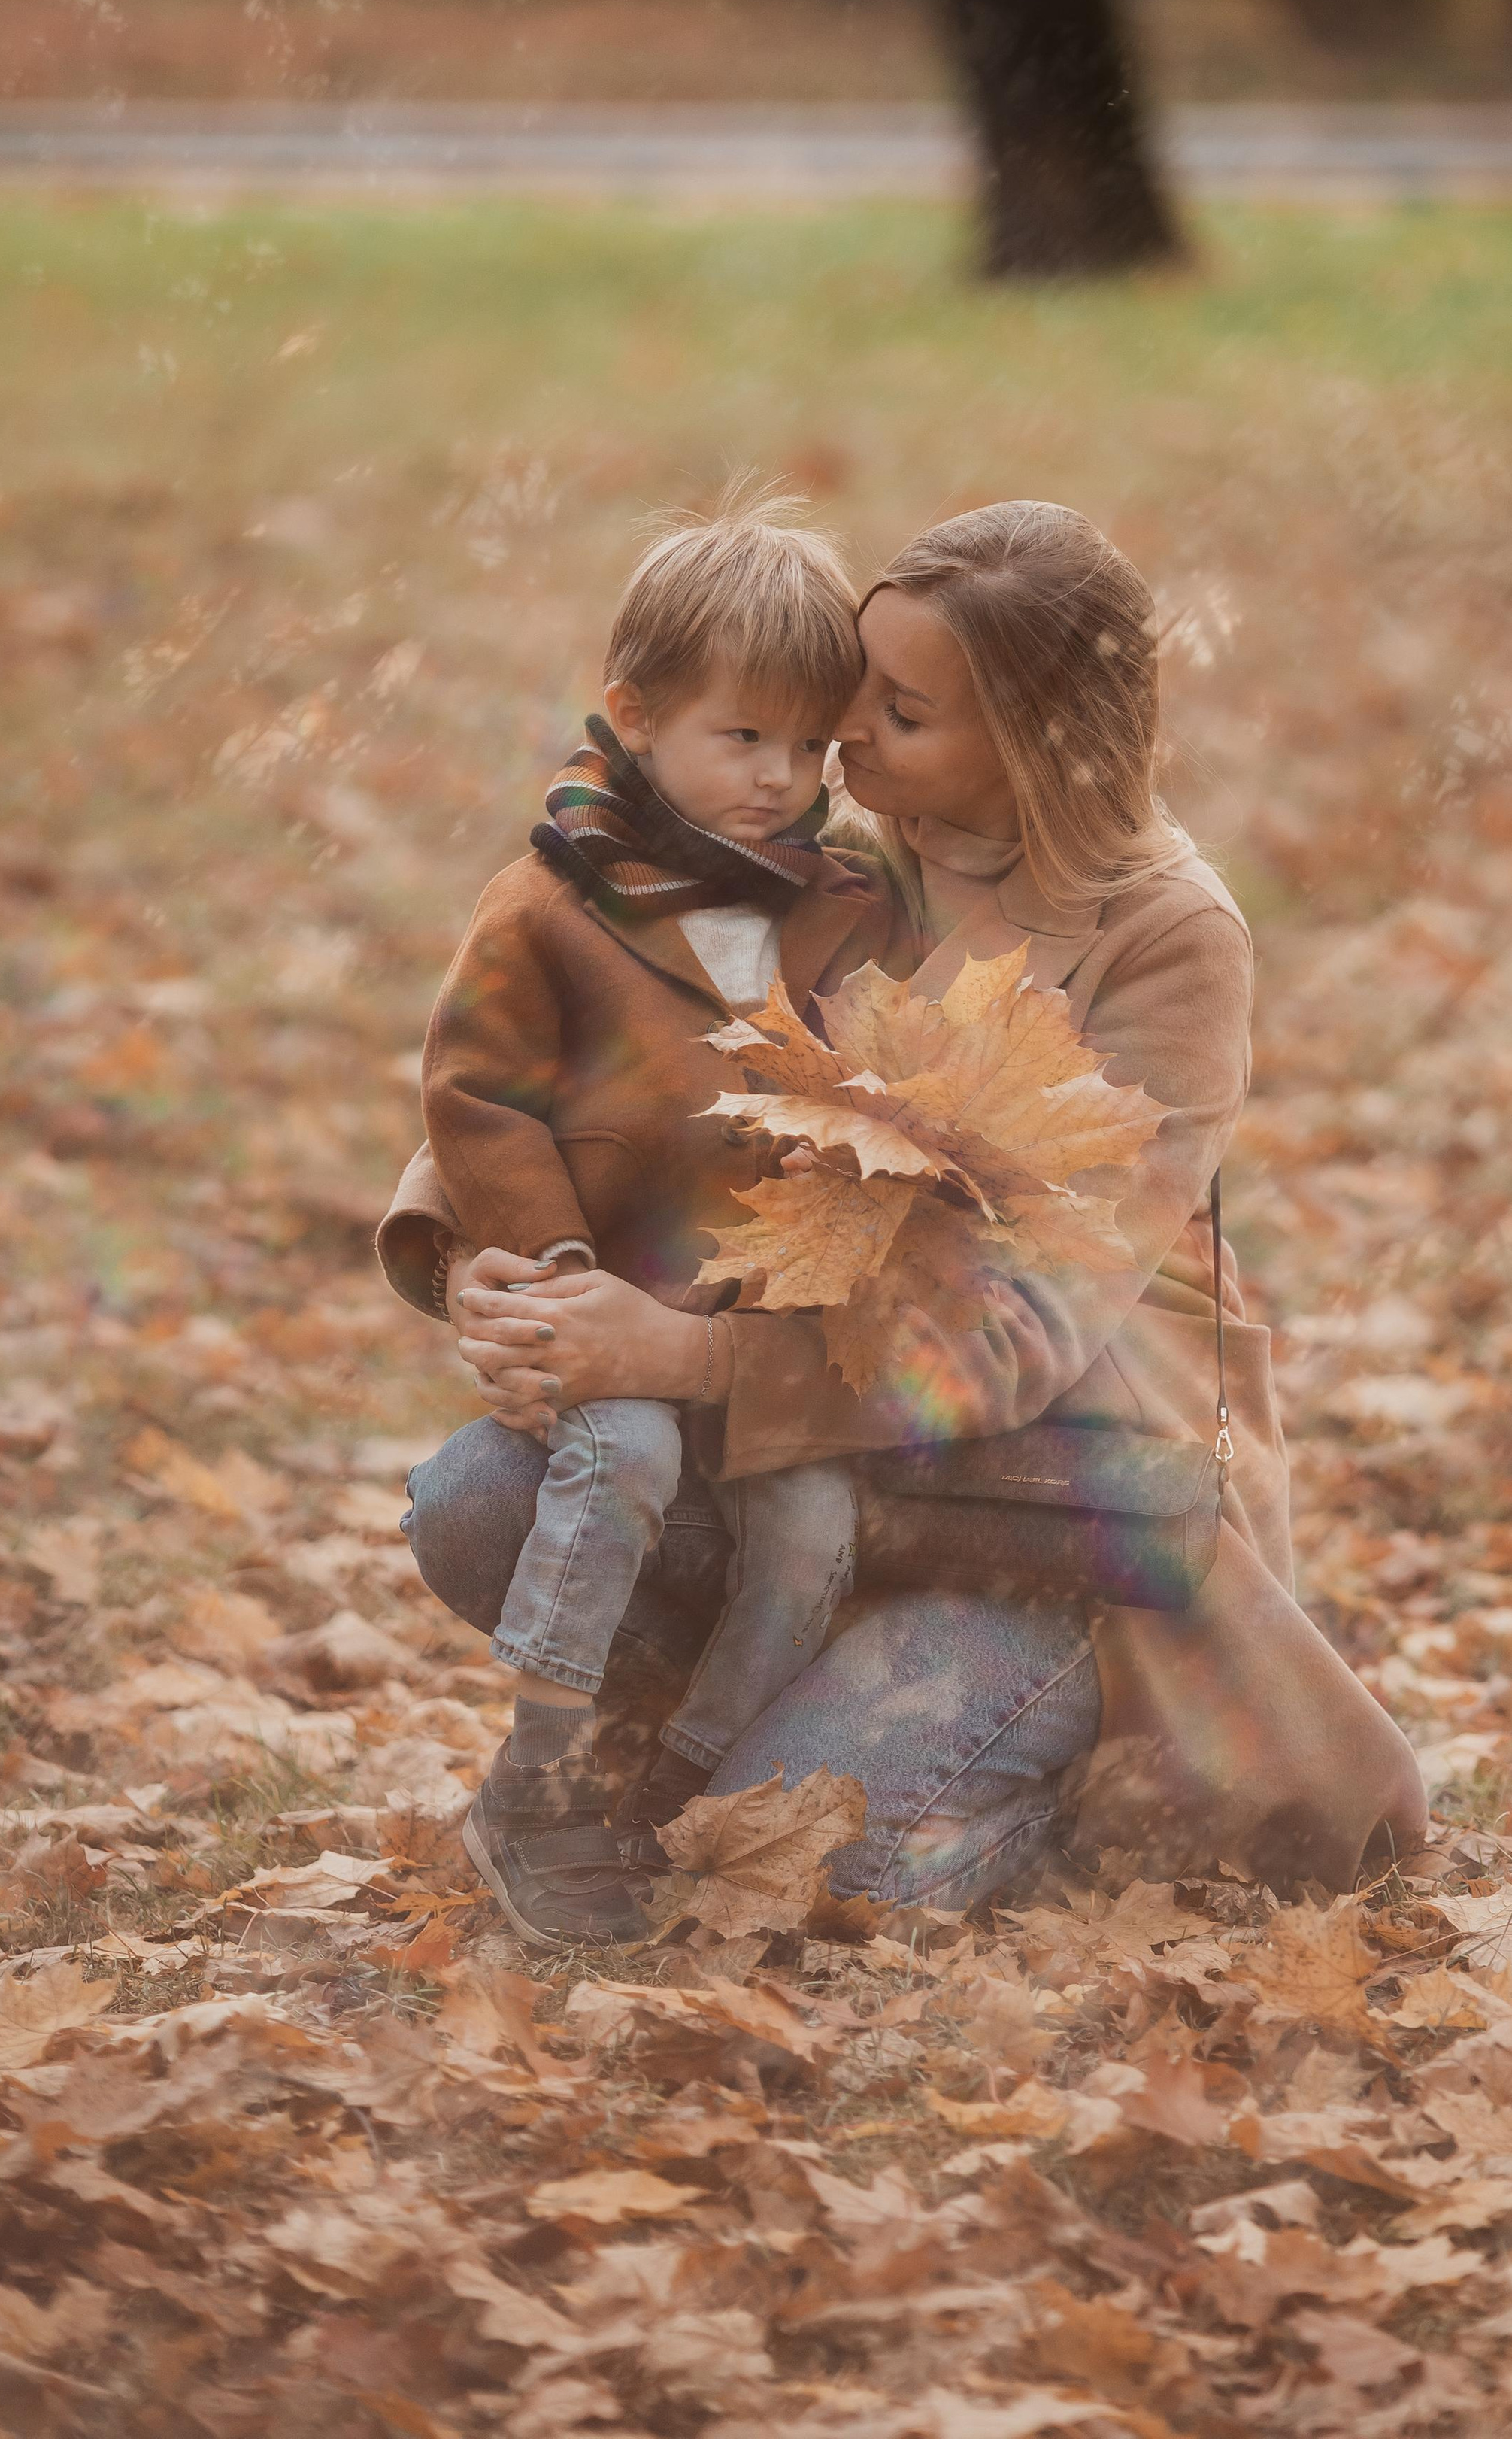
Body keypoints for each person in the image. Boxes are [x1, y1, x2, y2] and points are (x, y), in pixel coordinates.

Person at [384, 501, 1426, 1910]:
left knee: (827, 1865)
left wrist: (682, 1356)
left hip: (1029, 1508)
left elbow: (1016, 1337)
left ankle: (1051, 1786)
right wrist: (489, 1270)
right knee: (479, 1499)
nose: (841, 734)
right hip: (803, 1466)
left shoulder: (1166, 941)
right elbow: (584, 1009)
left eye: (898, 711)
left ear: (1036, 742)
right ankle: (704, 1740)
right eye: (852, 689)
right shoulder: (841, 838)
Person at [413, 507, 901, 1946]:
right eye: (743, 739)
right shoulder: (550, 903)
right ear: (635, 717)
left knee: (808, 1526)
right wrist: (547, 1276)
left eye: (813, 749)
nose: (783, 780)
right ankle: (544, 1777)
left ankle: (687, 1772)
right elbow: (477, 1097)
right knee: (617, 1457)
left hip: (762, 1325)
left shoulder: (848, 907)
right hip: (609, 1293)